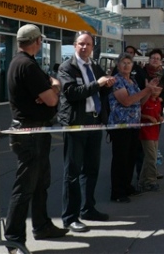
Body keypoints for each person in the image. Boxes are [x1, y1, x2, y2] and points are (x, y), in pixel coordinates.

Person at [4, 24, 69, 252]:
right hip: (30, 132)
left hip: (35, 131)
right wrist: (55, 88)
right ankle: (13, 237)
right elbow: (51, 99)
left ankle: (41, 225)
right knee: (25, 187)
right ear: (37, 41)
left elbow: (48, 87)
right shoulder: (27, 65)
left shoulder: (22, 62)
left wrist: (51, 87)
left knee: (41, 182)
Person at [57, 31, 114, 232]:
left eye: (88, 44)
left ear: (92, 47)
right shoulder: (67, 67)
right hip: (76, 124)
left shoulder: (95, 66)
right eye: (81, 43)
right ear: (74, 45)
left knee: (91, 169)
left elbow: (101, 92)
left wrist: (107, 85)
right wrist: (97, 84)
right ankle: (70, 217)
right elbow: (72, 93)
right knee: (72, 172)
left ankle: (88, 208)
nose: (84, 47)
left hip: (94, 122)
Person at [108, 54, 160, 203]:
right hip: (121, 125)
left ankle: (127, 186)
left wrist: (149, 90)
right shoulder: (117, 80)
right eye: (123, 63)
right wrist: (146, 90)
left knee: (130, 157)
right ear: (118, 65)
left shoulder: (132, 81)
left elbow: (139, 102)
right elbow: (126, 101)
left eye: (129, 63)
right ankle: (117, 192)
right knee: (120, 159)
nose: (126, 65)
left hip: (134, 124)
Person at [138, 85, 164, 192]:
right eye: (154, 89)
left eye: (158, 89)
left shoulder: (158, 102)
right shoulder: (145, 101)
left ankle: (142, 180)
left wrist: (159, 117)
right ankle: (151, 180)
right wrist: (148, 117)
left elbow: (157, 113)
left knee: (150, 158)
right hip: (146, 133)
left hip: (155, 132)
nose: (156, 91)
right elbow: (138, 113)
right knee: (151, 157)